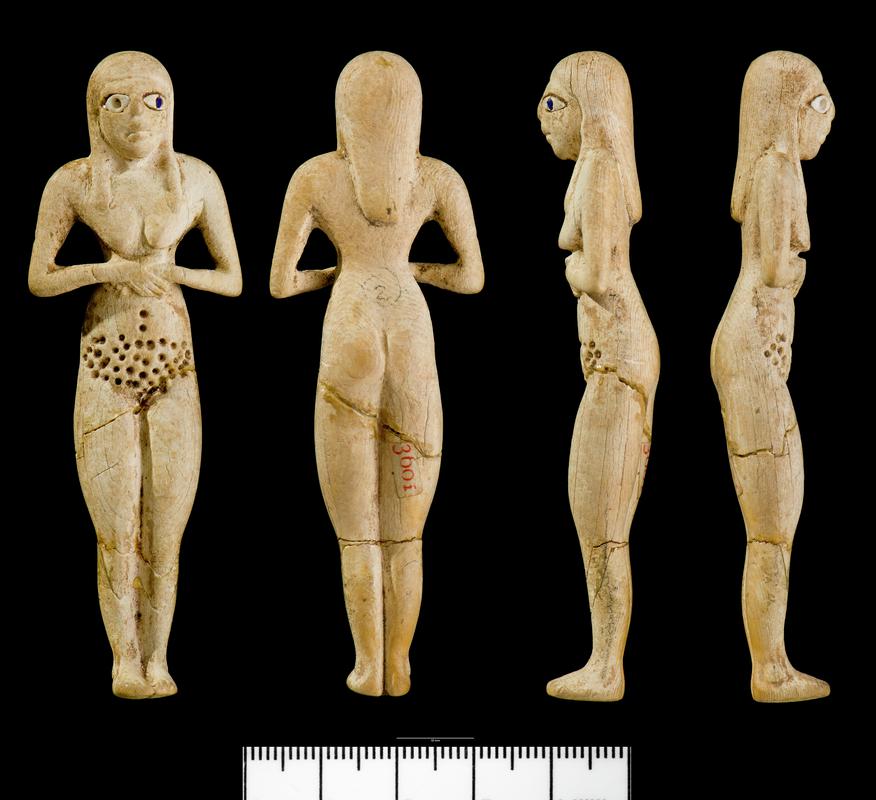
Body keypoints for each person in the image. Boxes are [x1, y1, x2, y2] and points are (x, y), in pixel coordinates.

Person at [28, 51, 242, 698]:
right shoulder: (74, 182)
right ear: (95, 114)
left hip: (175, 359)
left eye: (153, 100)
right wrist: (108, 270)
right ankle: (124, 660)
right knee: (116, 528)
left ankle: (159, 658)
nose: (137, 116)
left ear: (170, 107)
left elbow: (232, 279)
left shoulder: (196, 178)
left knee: (167, 528)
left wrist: (172, 271)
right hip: (104, 357)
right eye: (116, 102)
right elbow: (40, 277)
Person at [270, 51, 483, 696]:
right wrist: (411, 270)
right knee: (407, 531)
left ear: (342, 115)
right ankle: (400, 662)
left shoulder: (315, 176)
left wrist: (339, 273)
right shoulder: (437, 177)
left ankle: (366, 666)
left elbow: (282, 284)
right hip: (410, 327)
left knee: (358, 532)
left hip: (350, 326)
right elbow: (471, 278)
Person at [711, 51, 833, 702]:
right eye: (821, 106)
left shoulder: (770, 168)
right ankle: (769, 669)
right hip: (752, 346)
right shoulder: (780, 169)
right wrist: (800, 270)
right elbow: (776, 269)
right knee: (772, 524)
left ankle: (772, 661)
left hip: (749, 344)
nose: (826, 124)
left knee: (773, 523)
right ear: (795, 109)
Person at [538, 52, 659, 701]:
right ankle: (603, 659)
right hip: (612, 356)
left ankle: (607, 667)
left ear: (589, 110)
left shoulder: (603, 171)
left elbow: (604, 275)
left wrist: (570, 268)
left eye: (553, 103)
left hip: (620, 355)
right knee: (595, 513)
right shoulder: (595, 169)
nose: (543, 118)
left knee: (601, 518)